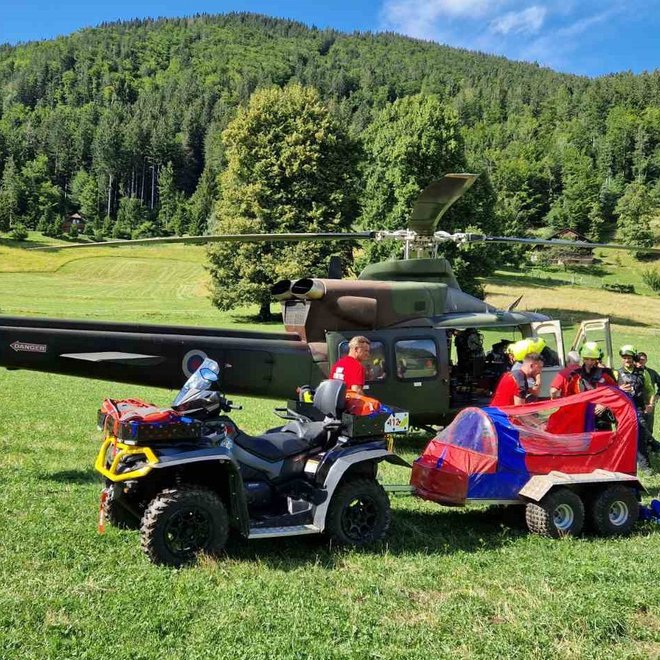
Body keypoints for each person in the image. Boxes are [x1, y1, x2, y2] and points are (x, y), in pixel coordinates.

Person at [616, 344, 659, 467]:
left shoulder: (643, 372)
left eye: (629, 357)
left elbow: (650, 390)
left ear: (633, 358)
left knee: (641, 434)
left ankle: (644, 465)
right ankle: (624, 462)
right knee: (624, 436)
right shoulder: (616, 373)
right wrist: (619, 388)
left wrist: (650, 404)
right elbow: (610, 391)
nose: (627, 360)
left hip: (639, 408)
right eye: (624, 357)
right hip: (623, 410)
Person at [636, 351, 660, 432]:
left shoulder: (652, 372)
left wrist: (658, 395)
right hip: (636, 403)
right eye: (639, 359)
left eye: (643, 359)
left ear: (646, 360)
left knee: (649, 425)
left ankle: (649, 444)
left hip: (649, 402)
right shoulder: (632, 372)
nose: (641, 361)